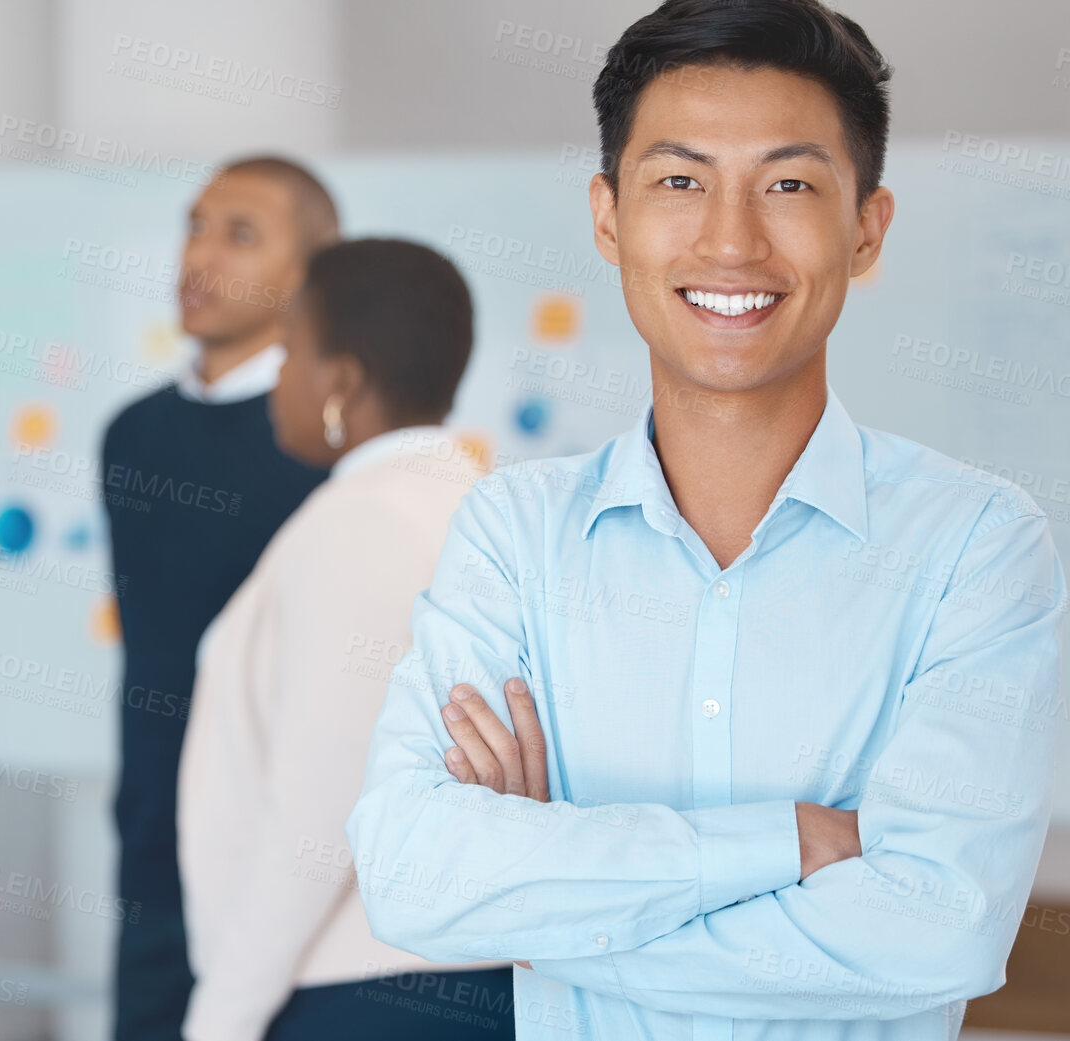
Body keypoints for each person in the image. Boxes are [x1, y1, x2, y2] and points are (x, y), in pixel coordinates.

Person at [347, 2, 1067, 1039]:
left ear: (866, 226)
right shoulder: (515, 533)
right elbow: (416, 880)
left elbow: (938, 931)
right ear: (607, 217)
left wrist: (552, 891)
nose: (731, 240)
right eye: (680, 182)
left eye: (789, 185)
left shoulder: (974, 544)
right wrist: (796, 844)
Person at [177, 238, 513, 1041]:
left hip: (360, 995)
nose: (277, 378)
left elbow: (318, 812)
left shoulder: (362, 524)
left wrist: (221, 1015)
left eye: (290, 351)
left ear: (341, 381)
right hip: (455, 982)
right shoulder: (481, 509)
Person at [101, 156, 337, 1041]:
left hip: (298, 859)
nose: (199, 254)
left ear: (308, 274)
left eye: (240, 234)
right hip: (156, 849)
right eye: (194, 224)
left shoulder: (330, 443)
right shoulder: (131, 434)